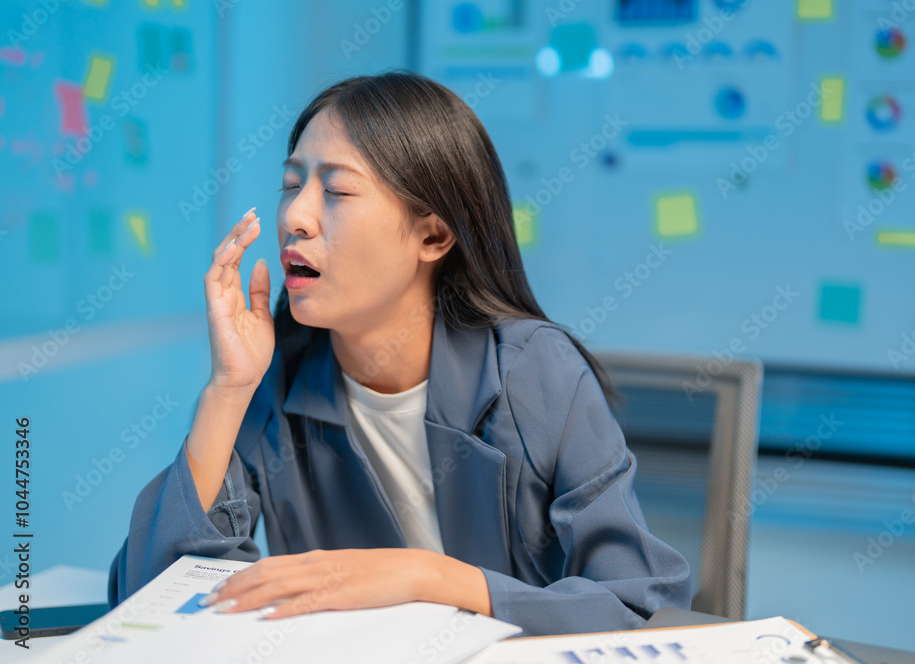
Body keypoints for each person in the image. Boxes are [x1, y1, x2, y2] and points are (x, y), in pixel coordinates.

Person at [107, 70, 691, 637]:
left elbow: (644, 601)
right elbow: (152, 601)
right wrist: (228, 389)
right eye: (291, 184)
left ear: (433, 236)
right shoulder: (272, 377)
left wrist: (430, 577)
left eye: (336, 191)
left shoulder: (536, 371)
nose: (294, 216)